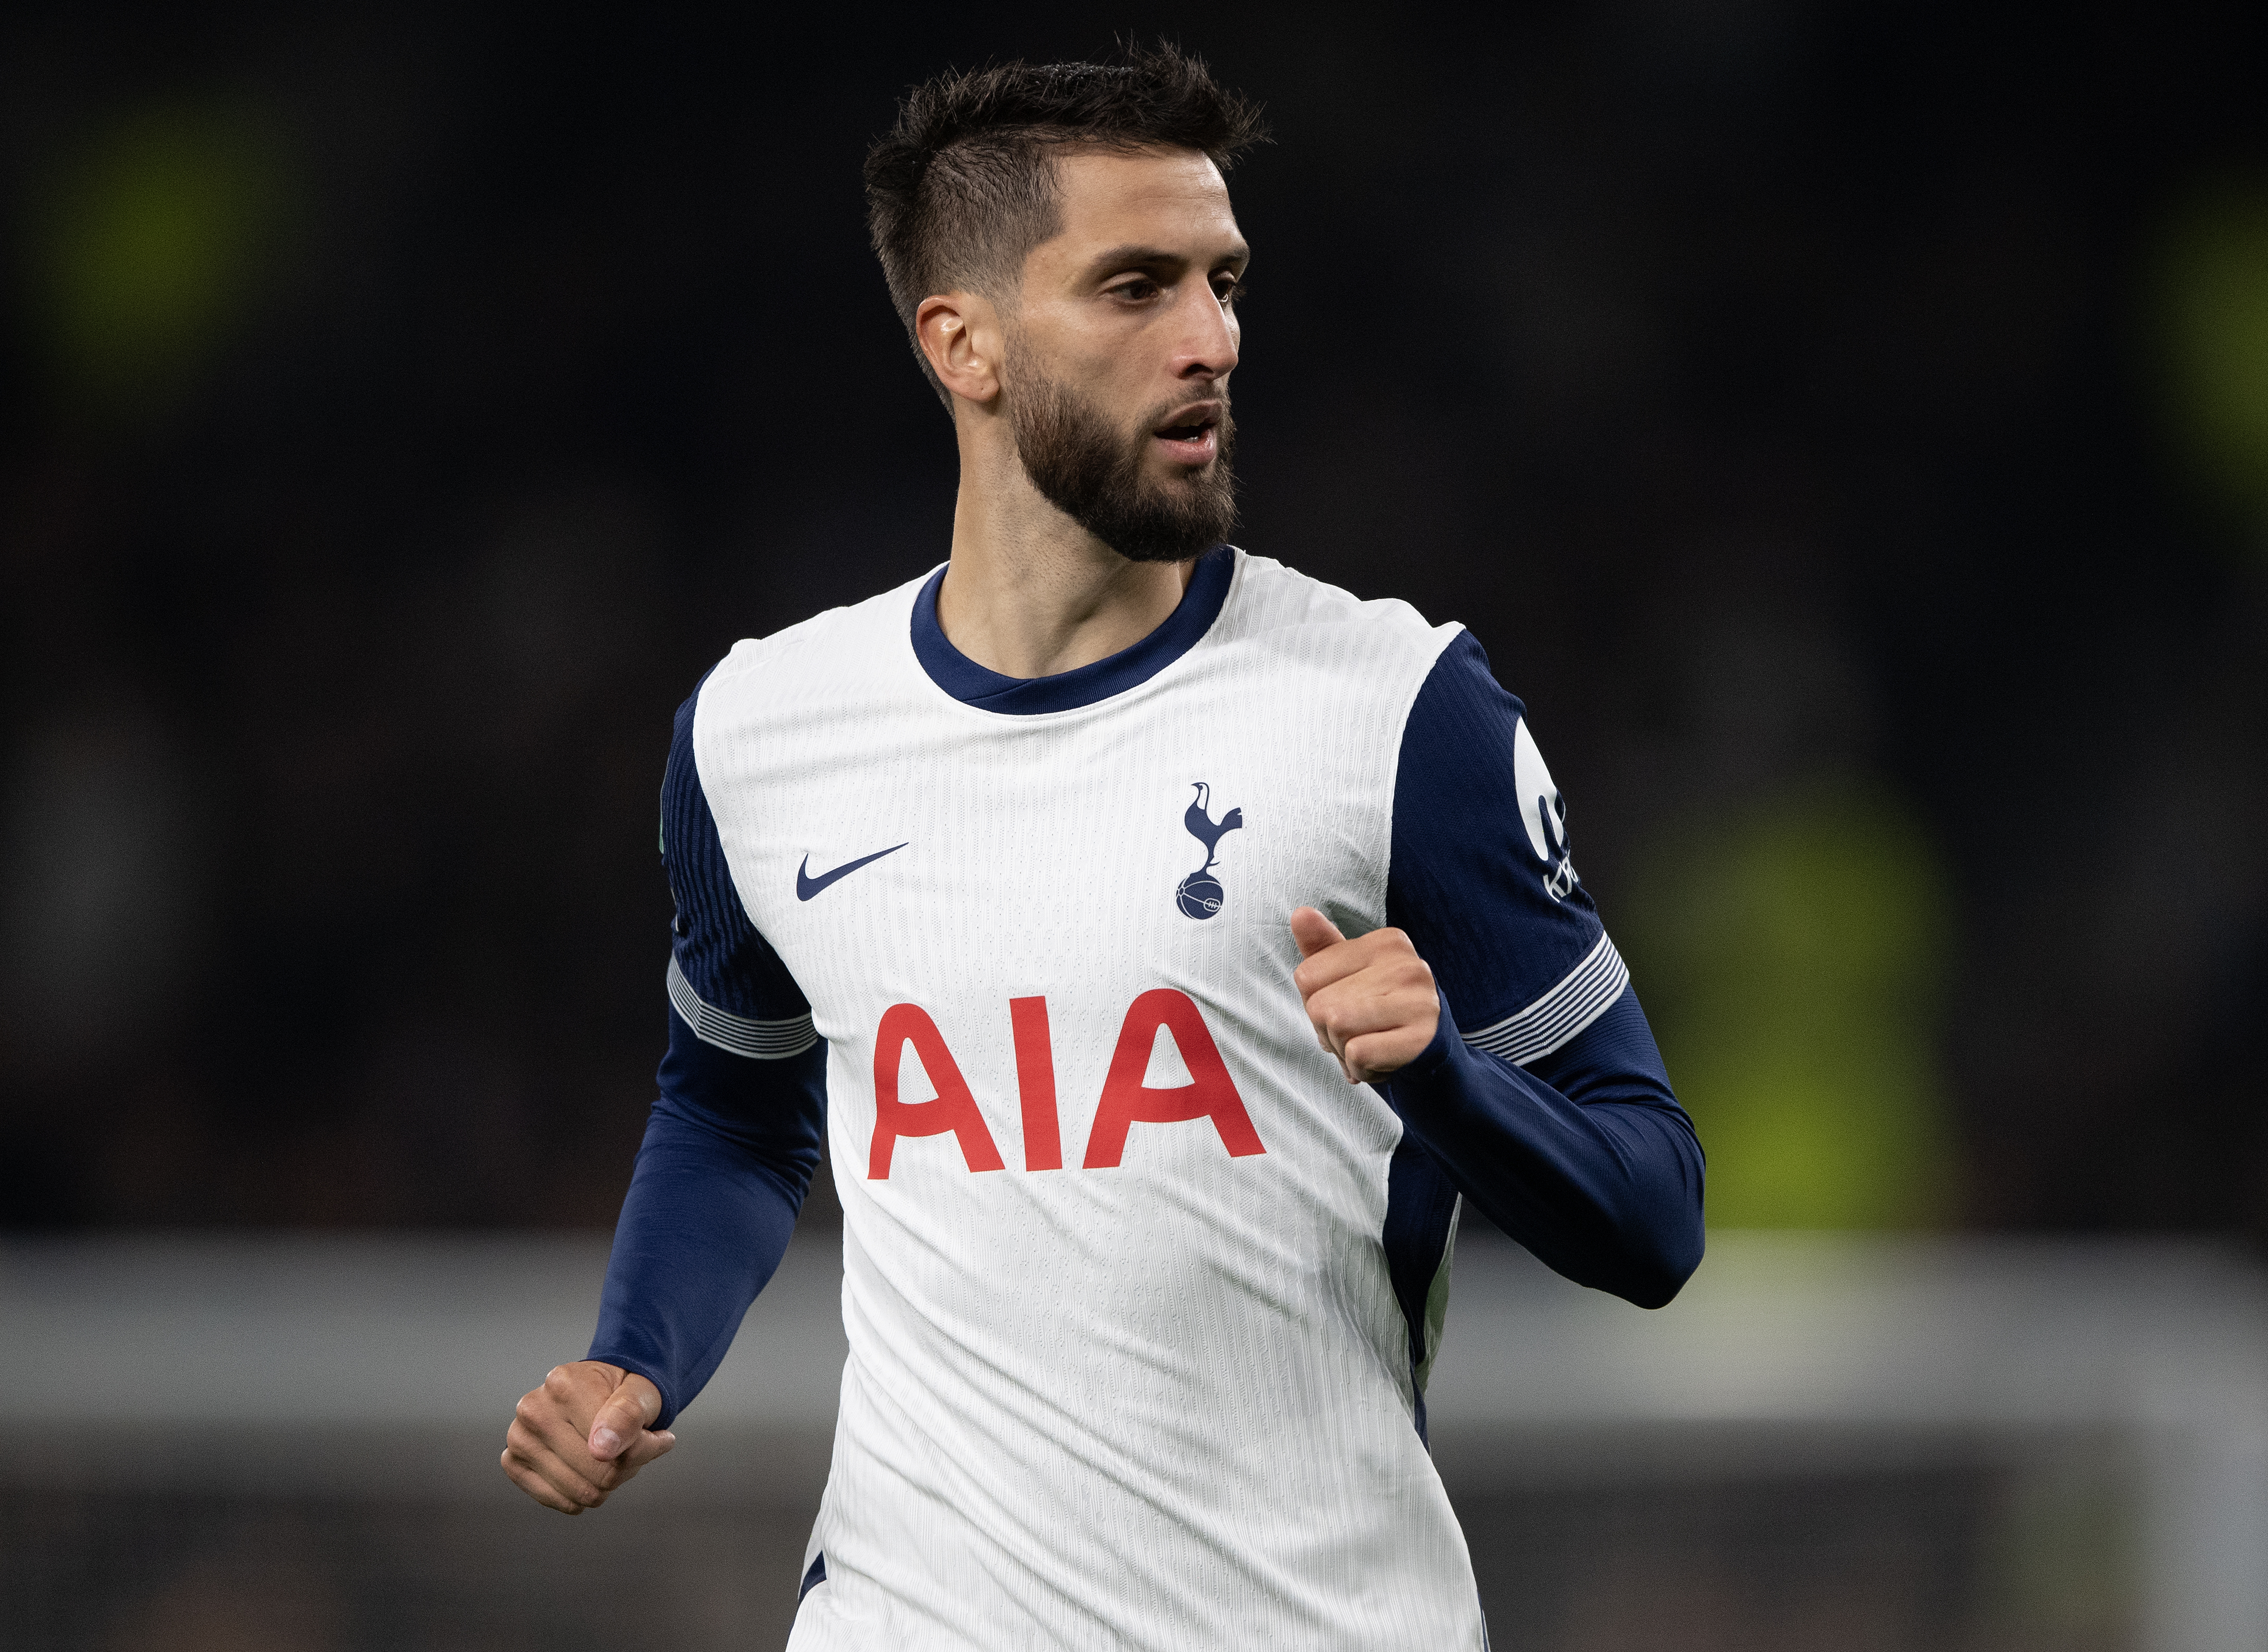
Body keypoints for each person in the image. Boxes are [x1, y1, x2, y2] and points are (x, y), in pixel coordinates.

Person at [502, 43, 1704, 1648]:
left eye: (1224, 282)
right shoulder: (761, 732)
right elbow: (733, 1104)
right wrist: (636, 1351)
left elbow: (1656, 1213)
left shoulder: (1396, 708)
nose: (1209, 340)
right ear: (965, 344)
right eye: (1135, 287)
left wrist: (1449, 1084)